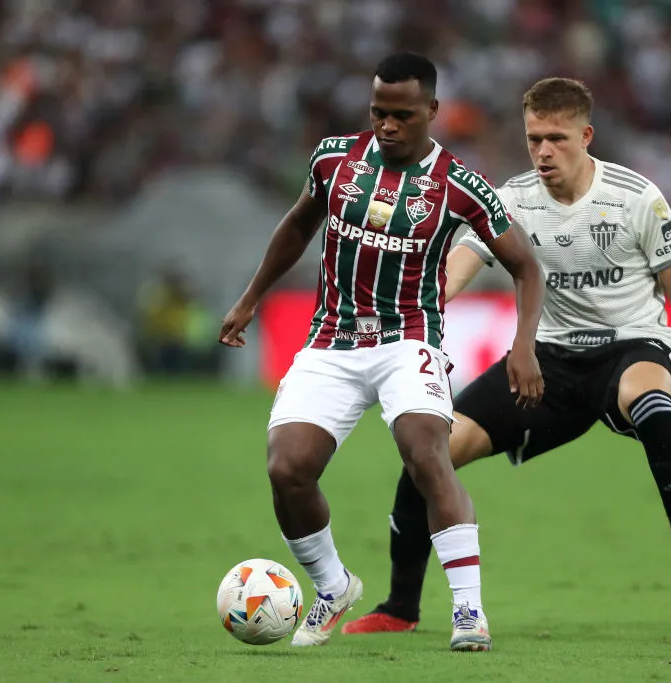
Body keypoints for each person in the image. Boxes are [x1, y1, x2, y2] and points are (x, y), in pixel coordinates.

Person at [342, 77, 671, 637]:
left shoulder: (636, 199)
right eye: (534, 139)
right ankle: (401, 607)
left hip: (630, 347)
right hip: (546, 364)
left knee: (654, 408)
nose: (543, 151)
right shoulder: (512, 200)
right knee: (428, 451)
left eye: (556, 138)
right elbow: (459, 265)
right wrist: (414, 301)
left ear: (586, 136)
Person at [218, 53, 545, 652]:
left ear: (432, 110)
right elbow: (298, 226)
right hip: (333, 338)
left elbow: (525, 265)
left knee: (426, 454)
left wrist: (522, 345)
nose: (388, 125)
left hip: (409, 338)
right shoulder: (333, 160)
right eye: (378, 113)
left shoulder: (459, 185)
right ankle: (333, 585)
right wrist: (251, 297)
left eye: (402, 115)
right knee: (287, 469)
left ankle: (469, 611)